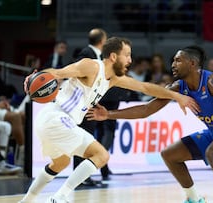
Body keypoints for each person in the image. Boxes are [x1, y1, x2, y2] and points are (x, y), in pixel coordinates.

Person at [18, 37, 198, 203]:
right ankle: (59, 197)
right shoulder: (91, 66)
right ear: (113, 56)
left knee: (61, 163)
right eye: (127, 55)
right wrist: (36, 77)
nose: (130, 60)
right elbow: (57, 73)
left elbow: (145, 87)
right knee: (101, 155)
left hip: (50, 121)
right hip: (57, 118)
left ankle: (26, 201)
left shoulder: (112, 79)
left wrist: (176, 96)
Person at [86, 46, 213, 203]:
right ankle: (194, 199)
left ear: (192, 63)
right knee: (169, 155)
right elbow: (146, 109)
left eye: (178, 60)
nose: (173, 64)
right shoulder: (178, 88)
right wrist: (109, 114)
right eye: (173, 60)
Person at [74, 28, 115, 183]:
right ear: (102, 41)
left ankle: (85, 175)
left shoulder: (100, 56)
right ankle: (81, 177)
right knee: (82, 141)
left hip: (96, 105)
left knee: (90, 139)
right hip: (84, 106)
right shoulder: (86, 55)